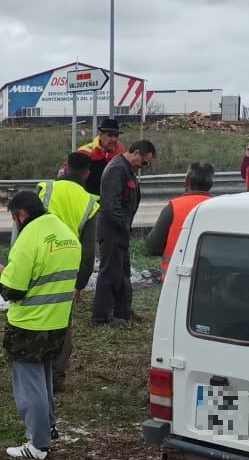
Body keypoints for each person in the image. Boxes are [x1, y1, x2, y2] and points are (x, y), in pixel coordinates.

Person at [0, 188, 80, 460]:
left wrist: (4, 276)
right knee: (44, 379)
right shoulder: (66, 233)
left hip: (29, 324)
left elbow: (13, 289)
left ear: (21, 215)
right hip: (57, 322)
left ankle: (38, 444)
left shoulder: (28, 238)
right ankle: (50, 428)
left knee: (30, 385)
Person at [39, 153, 98, 395]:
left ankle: (34, 370)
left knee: (36, 315)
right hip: (67, 269)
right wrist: (79, 284)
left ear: (65, 168)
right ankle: (56, 377)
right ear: (87, 174)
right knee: (62, 323)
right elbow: (89, 250)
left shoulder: (46, 189)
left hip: (39, 260)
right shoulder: (90, 203)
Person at [91, 139, 154, 325]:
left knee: (122, 272)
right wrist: (123, 226)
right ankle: (101, 317)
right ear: (136, 153)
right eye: (144, 162)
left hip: (120, 229)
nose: (144, 166)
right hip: (113, 230)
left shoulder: (127, 170)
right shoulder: (118, 169)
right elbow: (111, 205)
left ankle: (123, 312)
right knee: (109, 273)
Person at [146, 162, 214, 267]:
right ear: (211, 185)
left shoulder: (173, 207)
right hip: (209, 277)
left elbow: (152, 247)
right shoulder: (218, 208)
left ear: (187, 181)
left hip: (176, 278)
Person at [74, 116, 125, 195]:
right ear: (101, 136)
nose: (114, 139)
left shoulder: (122, 155)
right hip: (89, 203)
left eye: (116, 136)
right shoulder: (85, 152)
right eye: (110, 135)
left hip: (113, 204)